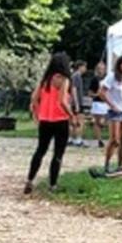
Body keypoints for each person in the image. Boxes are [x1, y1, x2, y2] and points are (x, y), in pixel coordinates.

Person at [24, 53, 79, 194]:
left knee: (40, 150)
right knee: (58, 154)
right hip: (60, 120)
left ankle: (30, 180)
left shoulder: (45, 81)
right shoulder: (64, 80)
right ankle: (53, 184)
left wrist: (37, 115)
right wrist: (71, 115)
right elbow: (62, 101)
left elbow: (33, 99)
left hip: (45, 120)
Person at [100, 56, 122, 171]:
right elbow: (102, 92)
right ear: (119, 65)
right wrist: (112, 106)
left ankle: (121, 164)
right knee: (115, 139)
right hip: (116, 111)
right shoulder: (112, 77)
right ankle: (107, 163)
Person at [87, 61, 108, 147]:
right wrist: (97, 94)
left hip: (106, 103)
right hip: (97, 103)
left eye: (102, 69)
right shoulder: (94, 79)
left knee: (104, 121)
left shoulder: (108, 79)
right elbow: (89, 93)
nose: (101, 70)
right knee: (97, 122)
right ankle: (99, 140)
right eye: (99, 69)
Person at [69, 61, 88, 148]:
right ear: (80, 67)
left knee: (73, 122)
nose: (85, 69)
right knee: (80, 121)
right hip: (77, 102)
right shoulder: (77, 76)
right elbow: (74, 89)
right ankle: (78, 140)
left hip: (74, 103)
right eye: (84, 67)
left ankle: (71, 139)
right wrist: (76, 103)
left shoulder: (74, 75)